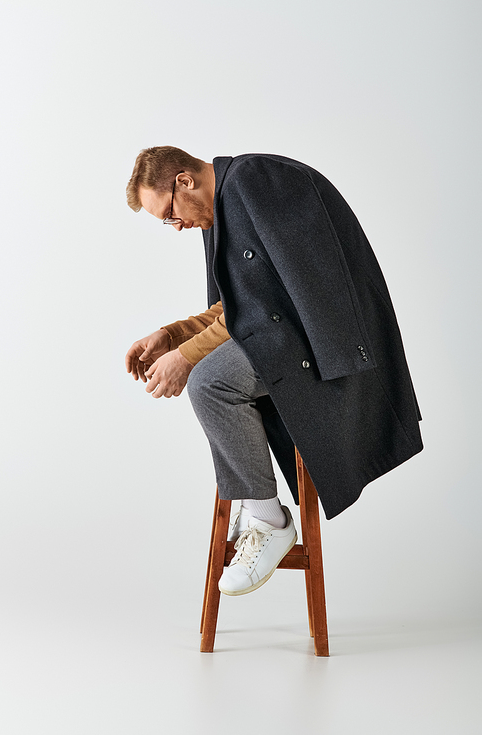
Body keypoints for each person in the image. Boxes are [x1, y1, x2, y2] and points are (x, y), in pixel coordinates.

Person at [125, 146, 423, 597]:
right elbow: (237, 309)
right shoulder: (220, 209)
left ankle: (268, 519)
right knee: (207, 373)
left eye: (168, 215)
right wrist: (173, 337)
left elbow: (291, 296)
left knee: (210, 380)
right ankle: (255, 501)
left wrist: (187, 358)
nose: (176, 226)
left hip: (323, 341)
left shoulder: (254, 179)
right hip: (285, 337)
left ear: (183, 181)